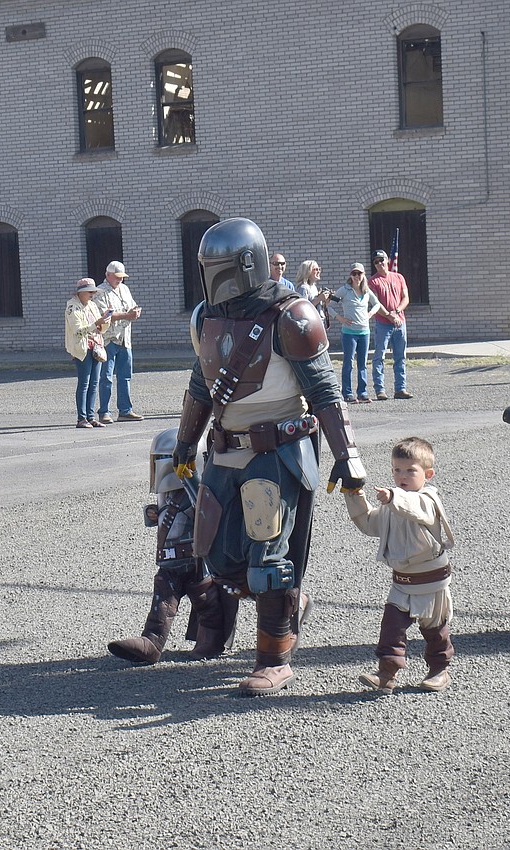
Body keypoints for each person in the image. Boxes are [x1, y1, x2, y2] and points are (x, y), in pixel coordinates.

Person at [172, 217, 366, 695]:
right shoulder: (204, 315)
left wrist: (348, 455)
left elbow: (323, 391)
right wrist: (184, 442)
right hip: (225, 446)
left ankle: (274, 656)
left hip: (277, 449)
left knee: (269, 559)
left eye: (220, 268)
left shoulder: (294, 316)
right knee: (217, 553)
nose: (213, 279)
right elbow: (202, 382)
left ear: (244, 264)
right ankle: (288, 606)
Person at [108, 428, 238, 664]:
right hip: (170, 559)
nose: (160, 466)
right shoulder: (167, 495)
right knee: (163, 597)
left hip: (196, 558)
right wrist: (154, 513)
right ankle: (152, 641)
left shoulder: (200, 491)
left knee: (205, 600)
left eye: (163, 460)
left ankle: (210, 640)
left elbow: (208, 514)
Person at [344, 436, 455, 694]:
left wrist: (393, 496)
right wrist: (354, 495)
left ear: (428, 474)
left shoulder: (428, 500)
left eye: (410, 471)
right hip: (402, 580)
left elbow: (413, 507)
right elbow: (370, 523)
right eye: (396, 470)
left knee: (435, 630)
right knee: (392, 628)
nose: (401, 475)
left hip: (431, 580)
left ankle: (439, 671)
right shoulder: (391, 503)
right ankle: (386, 675)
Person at [94, 260, 143, 423]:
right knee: (106, 377)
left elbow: (132, 306)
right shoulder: (100, 292)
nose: (120, 280)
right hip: (109, 339)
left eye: (122, 277)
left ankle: (125, 410)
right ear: (108, 275)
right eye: (117, 277)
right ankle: (104, 412)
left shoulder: (125, 289)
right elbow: (104, 315)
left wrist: (135, 312)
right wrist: (127, 315)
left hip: (125, 338)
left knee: (125, 376)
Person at [331, 262, 388, 403]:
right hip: (349, 333)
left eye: (359, 273)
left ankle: (362, 392)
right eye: (354, 273)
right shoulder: (344, 290)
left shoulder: (367, 291)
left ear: (363, 275)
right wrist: (340, 318)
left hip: (364, 332)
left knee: (362, 363)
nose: (357, 276)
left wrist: (371, 314)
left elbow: (377, 304)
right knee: (348, 362)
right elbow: (330, 306)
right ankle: (347, 393)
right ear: (350, 275)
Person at [65, 277, 110, 429]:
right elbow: (78, 331)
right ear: (80, 293)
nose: (92, 295)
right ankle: (81, 418)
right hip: (82, 348)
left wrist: (105, 320)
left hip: (96, 346)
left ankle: (91, 417)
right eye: (89, 292)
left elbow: (99, 327)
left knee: (94, 383)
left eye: (93, 292)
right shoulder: (72, 307)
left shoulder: (92, 305)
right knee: (84, 383)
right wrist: (96, 324)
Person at [368, 249, 412, 400]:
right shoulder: (372, 282)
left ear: (387, 260)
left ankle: (401, 388)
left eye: (381, 260)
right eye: (376, 262)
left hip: (400, 323)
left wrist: (397, 311)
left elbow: (406, 298)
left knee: (400, 357)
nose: (380, 264)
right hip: (383, 324)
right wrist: (389, 316)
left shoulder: (399, 277)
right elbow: (376, 304)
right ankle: (380, 390)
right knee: (379, 356)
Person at [295, 259, 333, 326]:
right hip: (310, 325)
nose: (318, 271)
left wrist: (325, 303)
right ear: (307, 272)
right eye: (315, 269)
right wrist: (319, 299)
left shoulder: (314, 287)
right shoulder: (303, 288)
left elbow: (317, 308)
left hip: (319, 323)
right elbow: (302, 309)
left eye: (319, 269)